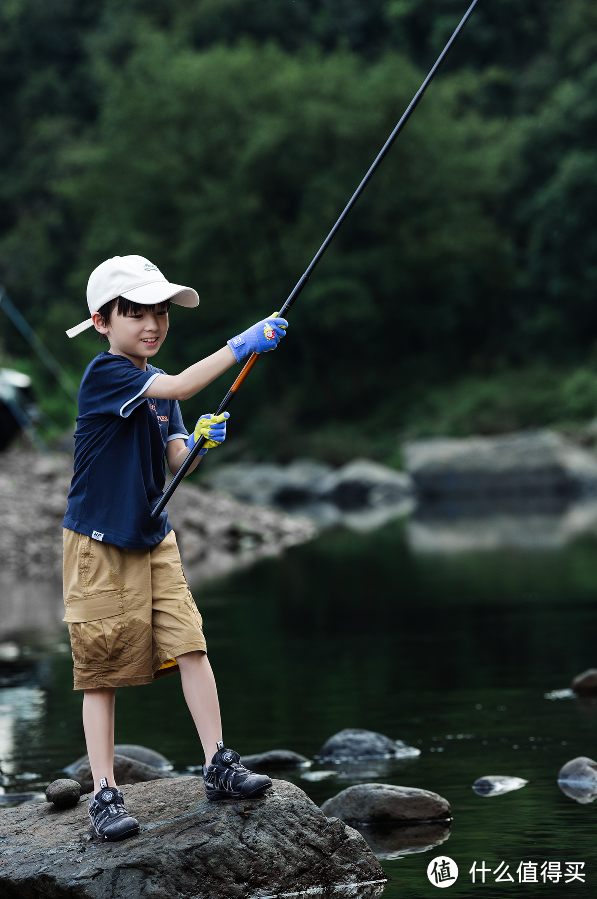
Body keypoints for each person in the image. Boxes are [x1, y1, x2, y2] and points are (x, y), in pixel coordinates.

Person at [63, 254, 288, 842]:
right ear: (103, 321)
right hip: (99, 542)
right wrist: (244, 343)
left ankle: (218, 763)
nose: (152, 323)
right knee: (101, 672)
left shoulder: (159, 387)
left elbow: (175, 453)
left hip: (152, 536)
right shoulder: (108, 373)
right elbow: (183, 382)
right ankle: (105, 794)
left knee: (192, 645)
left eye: (159, 311)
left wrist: (200, 441)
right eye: (135, 312)